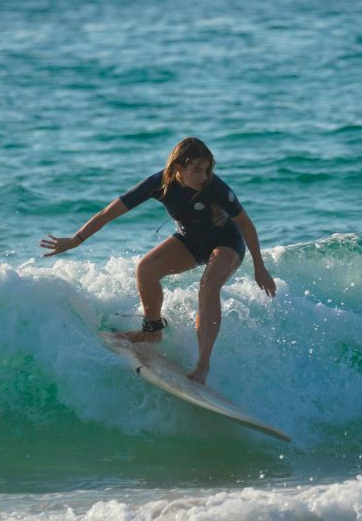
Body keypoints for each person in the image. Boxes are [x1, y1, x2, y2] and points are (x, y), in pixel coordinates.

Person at [40, 137, 276, 384]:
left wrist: (260, 268)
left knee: (208, 287)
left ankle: (203, 364)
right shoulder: (158, 184)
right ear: (178, 168)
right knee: (146, 270)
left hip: (227, 242)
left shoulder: (216, 187)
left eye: (207, 169)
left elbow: (246, 225)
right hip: (191, 241)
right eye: (197, 170)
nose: (204, 176)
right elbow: (109, 212)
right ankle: (152, 331)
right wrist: (76, 240)